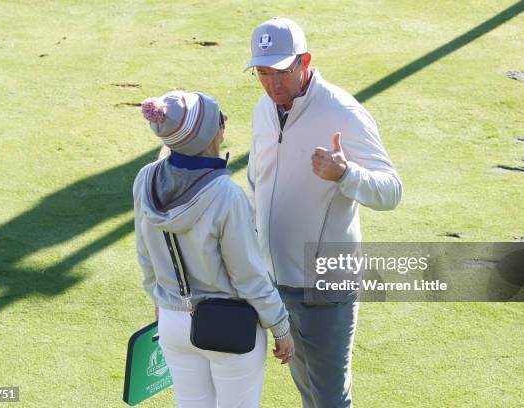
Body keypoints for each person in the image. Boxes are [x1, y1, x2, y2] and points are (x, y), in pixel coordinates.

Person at [245, 18, 403, 408]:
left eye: (281, 72)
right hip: (276, 284)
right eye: (263, 73)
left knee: (330, 398)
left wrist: (346, 173)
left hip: (325, 287)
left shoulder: (343, 112)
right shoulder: (262, 112)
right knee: (309, 393)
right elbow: (257, 183)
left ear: (305, 62)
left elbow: (391, 191)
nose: (272, 85)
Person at [133, 90, 294, 408]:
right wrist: (280, 326)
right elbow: (249, 276)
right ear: (211, 133)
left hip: (172, 322)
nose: (225, 123)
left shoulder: (144, 178)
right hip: (229, 328)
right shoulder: (226, 195)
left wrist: (159, 300)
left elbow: (145, 255)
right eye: (220, 119)